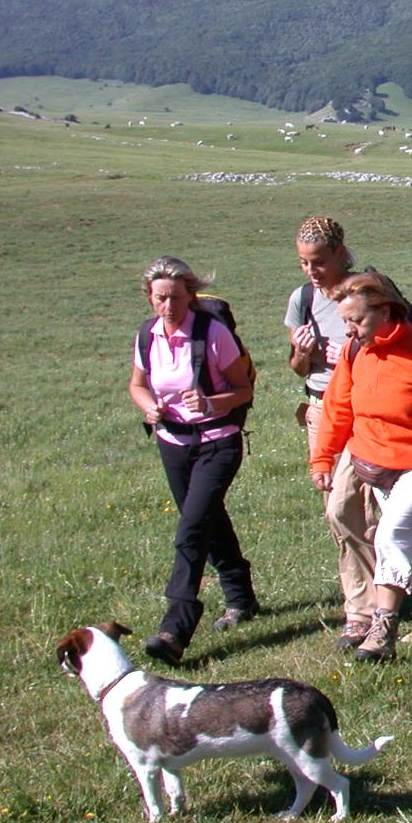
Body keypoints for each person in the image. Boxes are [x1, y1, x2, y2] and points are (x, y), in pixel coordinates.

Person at [310, 272, 412, 661]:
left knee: (391, 534)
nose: (350, 331)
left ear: (385, 310)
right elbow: (337, 410)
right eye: (345, 322)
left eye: (358, 321)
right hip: (378, 469)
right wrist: (323, 457)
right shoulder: (354, 354)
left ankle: (382, 629)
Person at [127, 257, 258, 666]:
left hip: (218, 442)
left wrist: (208, 401)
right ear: (149, 298)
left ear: (191, 295)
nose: (168, 307)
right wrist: (149, 408)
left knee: (191, 529)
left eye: (176, 298)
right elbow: (137, 384)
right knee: (206, 520)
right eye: (160, 299)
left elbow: (242, 390)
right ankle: (241, 599)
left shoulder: (212, 333)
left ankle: (176, 626)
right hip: (173, 442)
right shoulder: (147, 335)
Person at [285, 216, 386, 651]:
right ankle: (365, 605)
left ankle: (378, 605)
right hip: (323, 410)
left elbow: (396, 344)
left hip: (367, 409)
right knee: (339, 514)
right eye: (304, 262)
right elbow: (297, 368)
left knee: (361, 511)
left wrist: (349, 351)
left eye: (319, 261)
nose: (311, 270)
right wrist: (304, 354)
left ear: (341, 254)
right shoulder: (303, 299)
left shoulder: (370, 290)